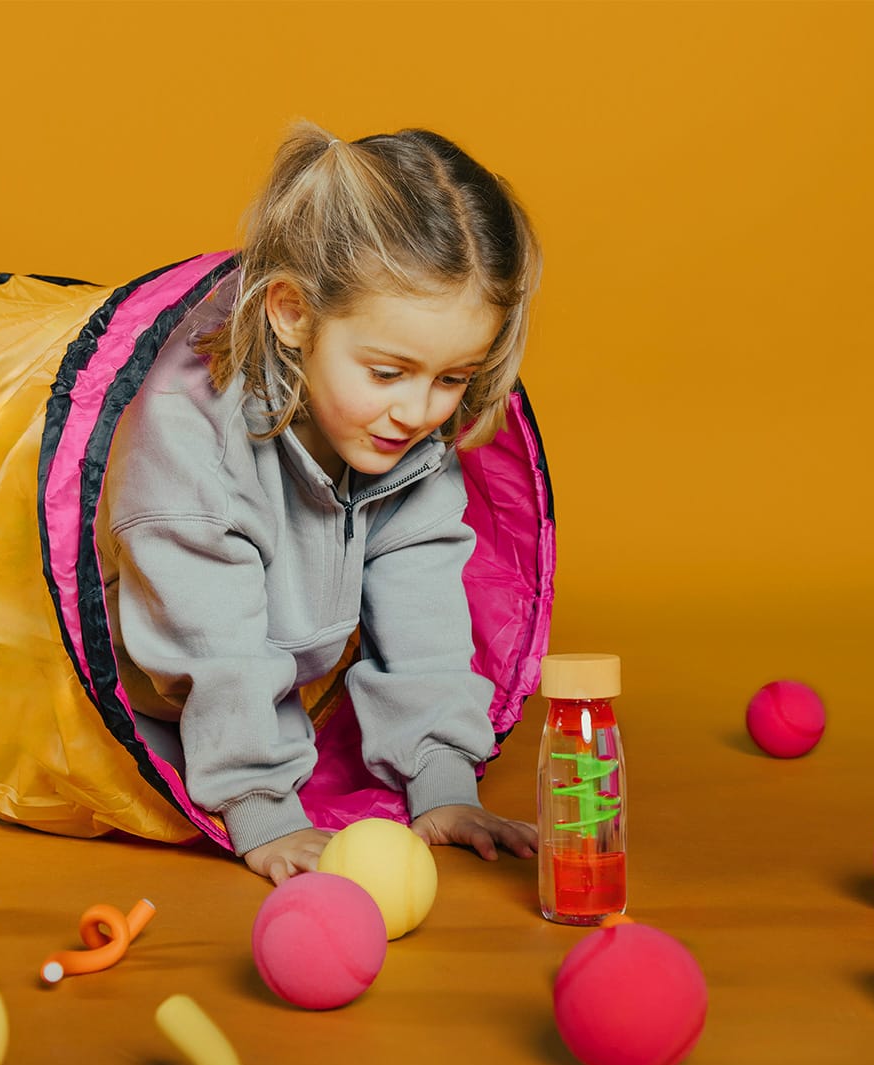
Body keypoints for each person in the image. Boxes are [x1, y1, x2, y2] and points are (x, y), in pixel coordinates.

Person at [93, 121, 543, 884]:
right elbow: (216, 650)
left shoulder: (409, 441)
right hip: (137, 708)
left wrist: (443, 785)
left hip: (270, 695)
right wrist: (264, 810)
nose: (418, 412)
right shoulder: (189, 435)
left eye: (453, 378)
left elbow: (426, 617)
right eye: (388, 372)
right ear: (293, 314)